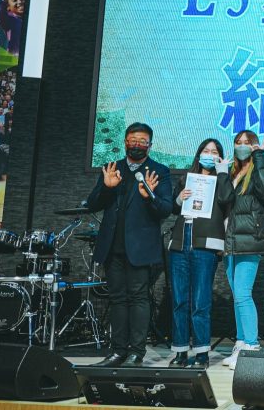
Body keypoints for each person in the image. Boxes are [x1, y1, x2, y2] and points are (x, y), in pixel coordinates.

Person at [86, 122, 173, 367]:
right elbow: (93, 204)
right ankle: (117, 351)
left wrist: (149, 196)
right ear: (125, 142)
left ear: (150, 145)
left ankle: (136, 353)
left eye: (142, 141)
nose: (137, 145)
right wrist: (107, 187)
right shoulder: (112, 168)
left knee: (138, 298)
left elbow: (166, 209)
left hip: (140, 247)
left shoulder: (159, 171)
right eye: (133, 140)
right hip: (112, 245)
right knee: (117, 299)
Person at [167, 138, 233, 369]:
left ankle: (202, 353)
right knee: (179, 301)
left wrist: (223, 172)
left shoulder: (222, 179)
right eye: (206, 150)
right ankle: (180, 351)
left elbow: (227, 199)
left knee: (200, 302)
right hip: (180, 241)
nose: (210, 155)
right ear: (198, 154)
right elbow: (173, 208)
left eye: (214, 152)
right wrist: (179, 198)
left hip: (206, 244)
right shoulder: (186, 178)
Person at [221, 130, 264, 368]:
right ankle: (241, 341)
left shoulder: (257, 170)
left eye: (247, 142)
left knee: (243, 293)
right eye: (238, 142)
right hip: (230, 240)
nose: (242, 146)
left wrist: (259, 156)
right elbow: (223, 200)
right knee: (238, 296)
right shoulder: (232, 172)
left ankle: (252, 345)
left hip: (250, 240)